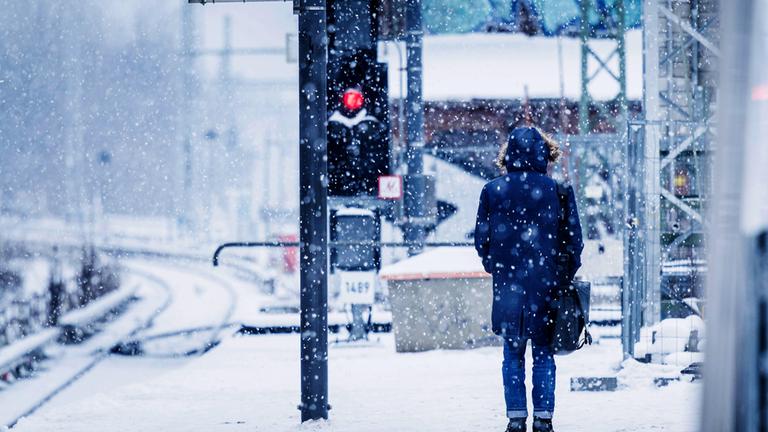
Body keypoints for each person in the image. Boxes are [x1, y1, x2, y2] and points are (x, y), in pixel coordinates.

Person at [474, 126, 583, 432]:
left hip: (508, 288)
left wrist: (498, 266)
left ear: (507, 154)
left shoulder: (492, 190)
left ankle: (516, 417)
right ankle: (544, 419)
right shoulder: (559, 191)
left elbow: (482, 241)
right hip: (547, 287)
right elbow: (574, 243)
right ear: (544, 154)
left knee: (512, 352)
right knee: (544, 354)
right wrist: (561, 276)